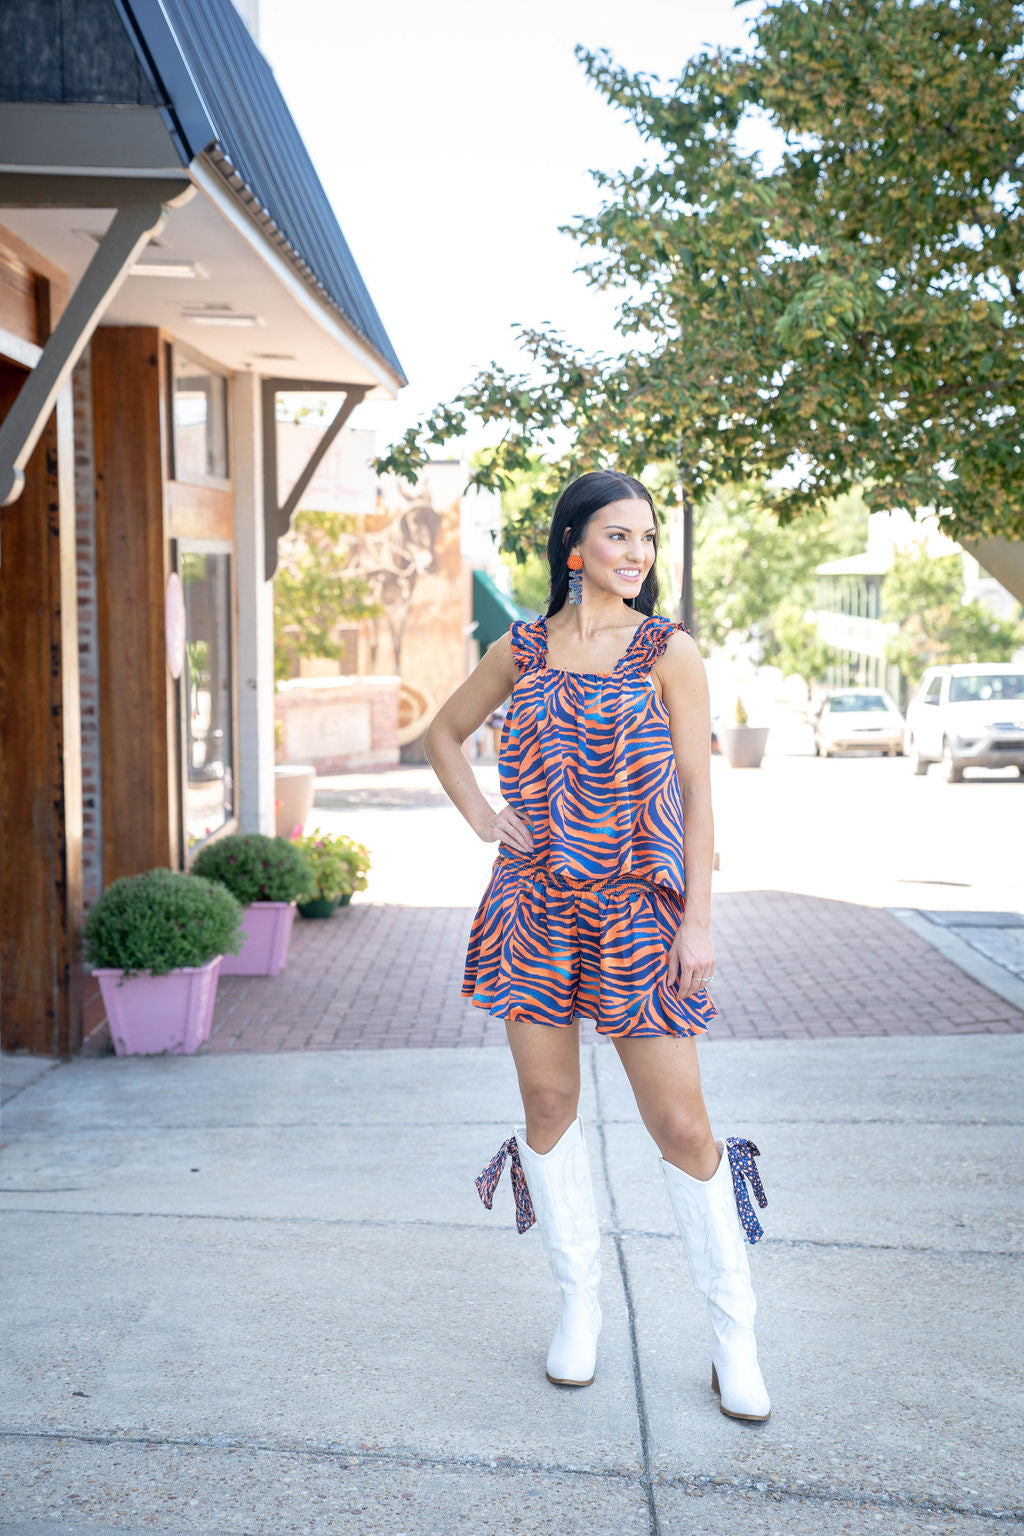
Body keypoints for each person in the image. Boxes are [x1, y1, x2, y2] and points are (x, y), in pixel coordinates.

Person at [424, 469, 770, 1422]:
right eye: (618, 537)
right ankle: (579, 1308)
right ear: (573, 547)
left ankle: (732, 1334)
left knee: (683, 1126)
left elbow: (701, 798)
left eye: (648, 540)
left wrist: (697, 920)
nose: (637, 555)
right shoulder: (523, 648)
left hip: (636, 913)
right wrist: (488, 820)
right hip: (533, 906)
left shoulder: (669, 650)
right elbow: (443, 736)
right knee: (546, 1103)